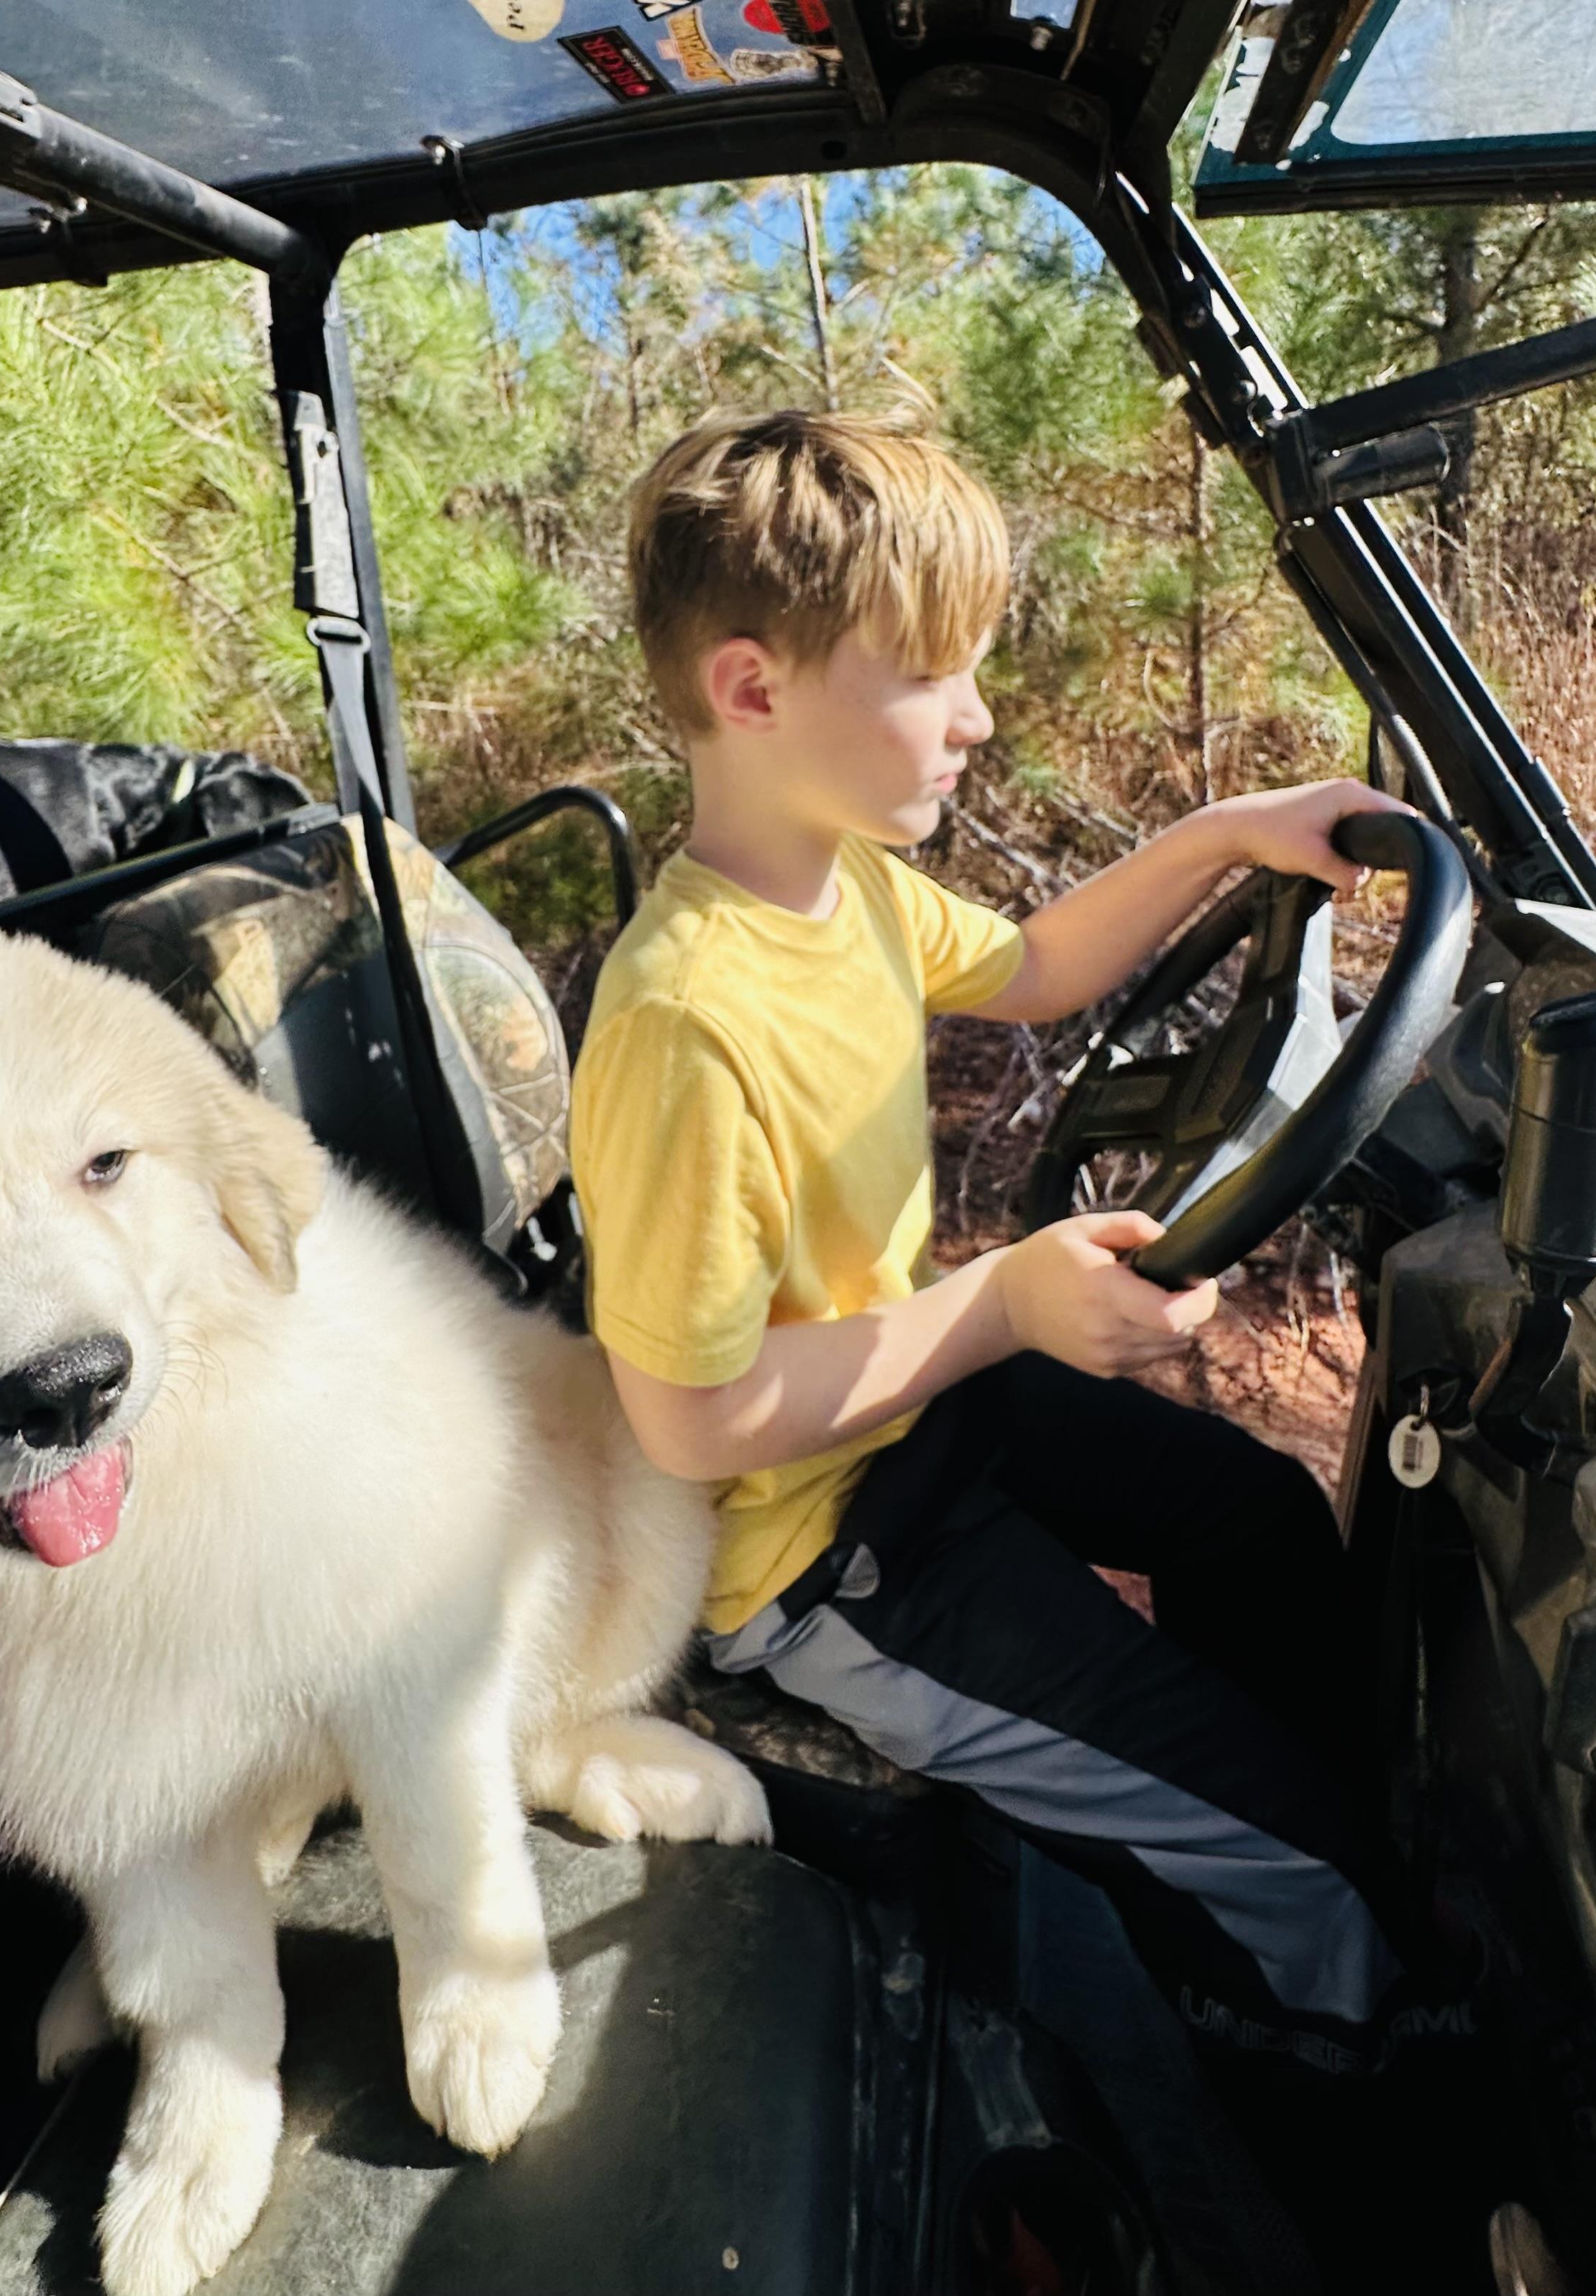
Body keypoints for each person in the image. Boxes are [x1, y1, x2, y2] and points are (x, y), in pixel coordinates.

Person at [569, 405, 1422, 2093]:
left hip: (927, 1415)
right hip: (824, 1555)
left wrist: (1226, 833)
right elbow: (689, 1418)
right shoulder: (683, 1019)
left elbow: (1037, 968)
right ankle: (1334, 2040)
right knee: (1306, 1870)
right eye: (932, 675)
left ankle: (1290, 1826)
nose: (976, 716)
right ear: (753, 690)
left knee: (1261, 1524)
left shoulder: (853, 888)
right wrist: (1003, 1304)